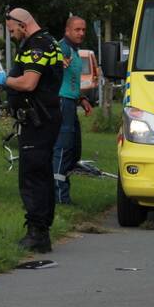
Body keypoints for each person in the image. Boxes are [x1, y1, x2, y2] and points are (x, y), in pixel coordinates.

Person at [0, 7, 64, 253]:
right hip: (41, 118)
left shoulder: (38, 45)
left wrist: (5, 81)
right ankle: (41, 228)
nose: (12, 35)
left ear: (22, 23)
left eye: (12, 30)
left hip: (39, 119)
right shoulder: (45, 42)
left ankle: (37, 234)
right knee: (41, 173)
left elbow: (29, 82)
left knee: (32, 175)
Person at [54, 15, 92, 204]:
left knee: (74, 149)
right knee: (63, 148)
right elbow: (54, 62)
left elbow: (72, 81)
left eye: (83, 30)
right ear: (67, 30)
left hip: (71, 102)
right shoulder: (63, 48)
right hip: (62, 103)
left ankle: (59, 186)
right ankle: (60, 196)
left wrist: (82, 98)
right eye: (77, 29)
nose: (81, 33)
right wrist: (58, 62)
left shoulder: (75, 51)